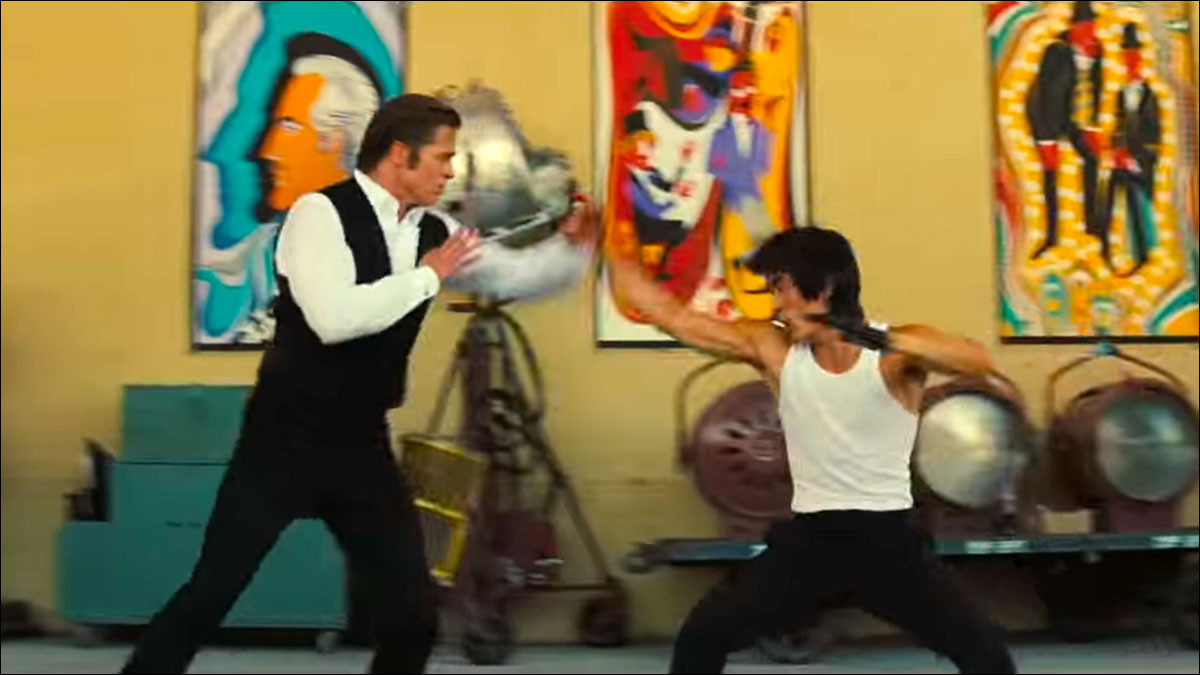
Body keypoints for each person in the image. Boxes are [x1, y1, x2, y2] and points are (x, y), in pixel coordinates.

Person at [123, 93, 594, 674]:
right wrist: (428, 277)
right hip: (282, 441)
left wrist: (574, 250)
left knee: (413, 617)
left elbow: (513, 275)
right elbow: (334, 319)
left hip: (361, 447)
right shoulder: (318, 215)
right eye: (442, 157)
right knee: (211, 592)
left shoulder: (434, 231)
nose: (450, 171)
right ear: (400, 155)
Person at [606, 225, 1016, 674]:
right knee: (703, 636)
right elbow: (672, 317)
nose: (776, 304)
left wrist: (859, 333)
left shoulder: (892, 355)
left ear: (823, 288)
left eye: (781, 288)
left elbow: (976, 360)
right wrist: (607, 243)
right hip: (810, 545)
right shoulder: (775, 349)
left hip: (889, 546)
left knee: (986, 657)